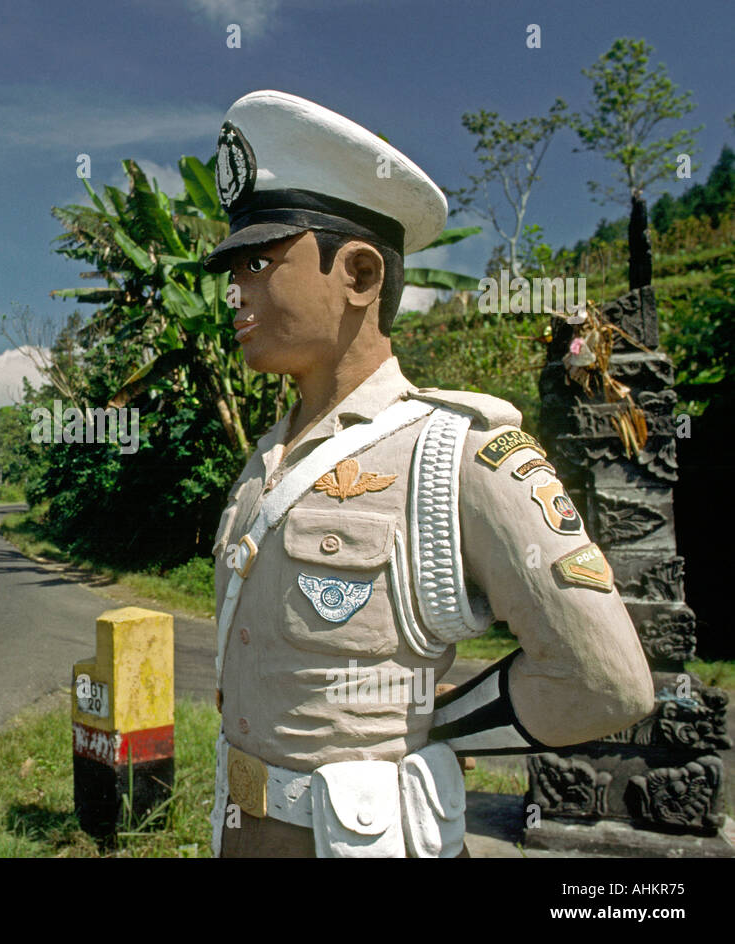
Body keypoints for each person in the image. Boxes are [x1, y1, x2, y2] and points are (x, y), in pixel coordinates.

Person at [203, 90, 654, 858]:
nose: (236, 287)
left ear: (361, 273)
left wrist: (436, 722)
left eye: (261, 259)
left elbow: (604, 680)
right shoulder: (267, 463)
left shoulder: (457, 453)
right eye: (234, 264)